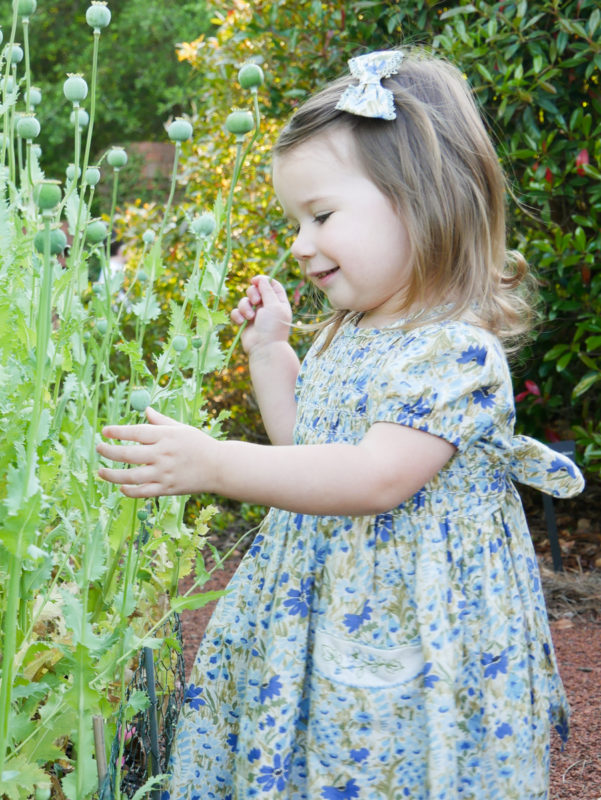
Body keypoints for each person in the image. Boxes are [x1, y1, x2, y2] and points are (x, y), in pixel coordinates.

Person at [97, 48, 585, 799]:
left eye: (321, 215)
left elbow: (373, 478)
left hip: (407, 639)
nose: (300, 244)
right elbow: (310, 452)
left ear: (424, 200)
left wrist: (214, 464)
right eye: (296, 220)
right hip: (321, 608)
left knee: (385, 767)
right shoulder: (346, 331)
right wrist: (271, 354)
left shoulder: (454, 352)